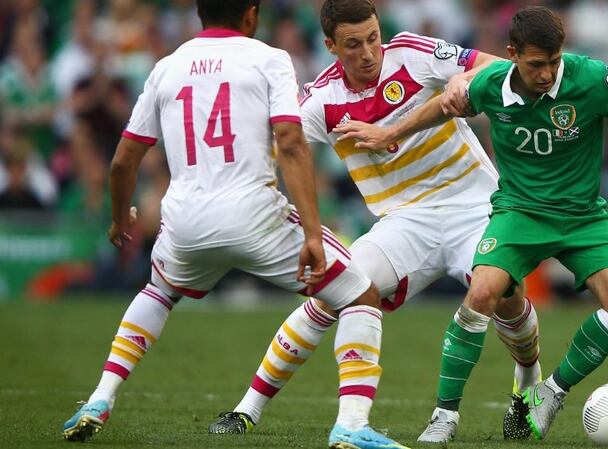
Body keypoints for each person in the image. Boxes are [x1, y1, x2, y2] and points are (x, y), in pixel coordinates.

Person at [334, 5, 608, 441]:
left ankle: (551, 392)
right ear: (512, 54)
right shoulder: (490, 85)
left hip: (582, 216)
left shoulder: (591, 78)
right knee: (482, 292)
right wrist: (389, 134)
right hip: (518, 212)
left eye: (554, 61)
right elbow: (443, 107)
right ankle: (445, 415)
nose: (547, 74)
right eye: (536, 64)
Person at [60, 2, 409, 448]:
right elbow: (290, 142)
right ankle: (353, 425)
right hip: (253, 216)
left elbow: (123, 160)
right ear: (251, 14)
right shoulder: (269, 58)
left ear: (200, 14)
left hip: (184, 222)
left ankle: (99, 397)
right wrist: (311, 233)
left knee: (158, 292)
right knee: (361, 293)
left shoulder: (166, 67)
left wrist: (117, 218)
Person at [208, 0, 543, 443]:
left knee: (506, 295)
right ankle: (246, 409)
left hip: (475, 207)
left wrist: (462, 79)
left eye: (373, 38)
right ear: (330, 45)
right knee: (333, 294)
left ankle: (528, 381)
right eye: (353, 45)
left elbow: (498, 67)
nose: (368, 53)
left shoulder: (411, 53)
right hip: (404, 222)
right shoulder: (321, 100)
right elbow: (278, 148)